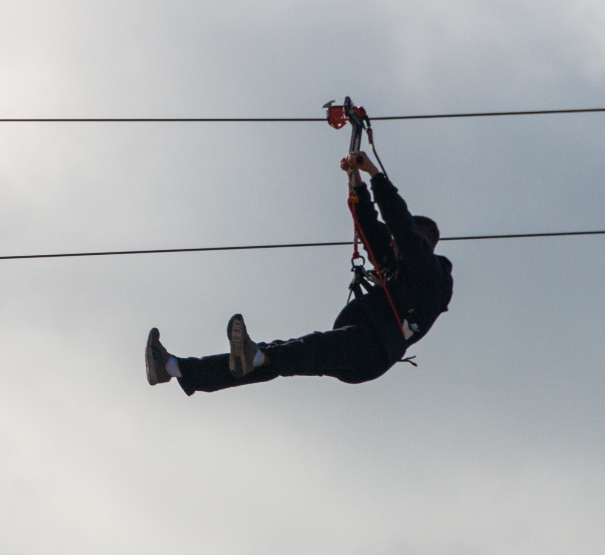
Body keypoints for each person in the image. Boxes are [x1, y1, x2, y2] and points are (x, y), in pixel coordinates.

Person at [146, 150, 452, 394]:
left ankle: (254, 357)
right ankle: (173, 368)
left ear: (424, 244)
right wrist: (354, 177)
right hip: (364, 346)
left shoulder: (430, 275)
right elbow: (370, 226)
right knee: (274, 358)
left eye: (400, 243)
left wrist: (374, 173)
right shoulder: (398, 265)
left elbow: (401, 226)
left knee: (308, 349)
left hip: (374, 348)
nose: (393, 246)